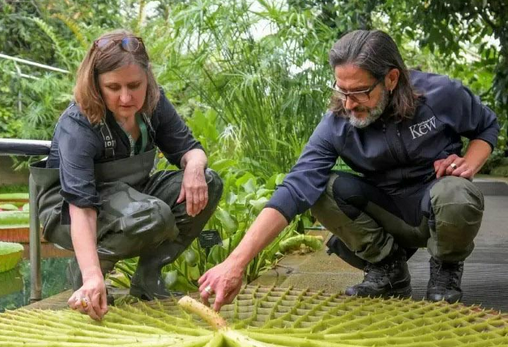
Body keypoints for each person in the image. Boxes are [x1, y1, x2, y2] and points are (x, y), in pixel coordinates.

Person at [199, 29, 499, 310]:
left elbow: (486, 125)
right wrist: (235, 262)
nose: (349, 104)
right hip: (387, 210)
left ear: (391, 78)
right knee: (320, 190)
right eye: (342, 90)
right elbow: (294, 187)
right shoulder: (336, 122)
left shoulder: (440, 94)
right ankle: (387, 270)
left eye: (360, 92)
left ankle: (445, 271)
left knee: (458, 193)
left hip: (435, 203)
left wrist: (470, 162)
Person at [31, 30, 223, 320]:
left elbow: (191, 150)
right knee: (152, 214)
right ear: (96, 84)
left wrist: (195, 168)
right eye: (113, 87)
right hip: (67, 210)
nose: (125, 97)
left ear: (148, 79)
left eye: (134, 85)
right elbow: (81, 207)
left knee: (209, 182)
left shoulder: (154, 104)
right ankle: (87, 278)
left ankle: (147, 276)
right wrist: (92, 272)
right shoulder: (78, 125)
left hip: (133, 193)